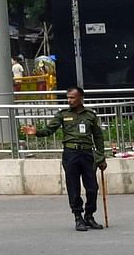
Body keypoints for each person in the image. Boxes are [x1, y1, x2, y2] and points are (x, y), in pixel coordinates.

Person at [22, 87, 107, 231]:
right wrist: (36, 132)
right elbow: (49, 130)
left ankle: (89, 216)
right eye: (68, 97)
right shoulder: (63, 114)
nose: (69, 100)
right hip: (70, 154)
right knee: (73, 187)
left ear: (80, 98)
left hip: (87, 154)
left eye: (72, 98)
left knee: (92, 188)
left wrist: (101, 157)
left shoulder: (90, 115)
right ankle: (78, 217)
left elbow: (98, 137)